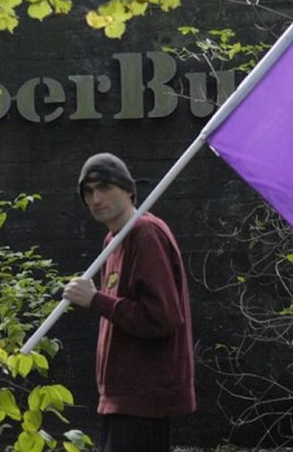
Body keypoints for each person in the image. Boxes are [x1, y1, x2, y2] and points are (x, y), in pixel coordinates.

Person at [63, 153, 196, 452]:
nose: (96, 199)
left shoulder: (145, 232)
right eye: (88, 192)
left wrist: (97, 300)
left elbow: (162, 318)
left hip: (143, 400)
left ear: (128, 190)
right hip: (123, 399)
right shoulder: (114, 240)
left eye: (104, 187)